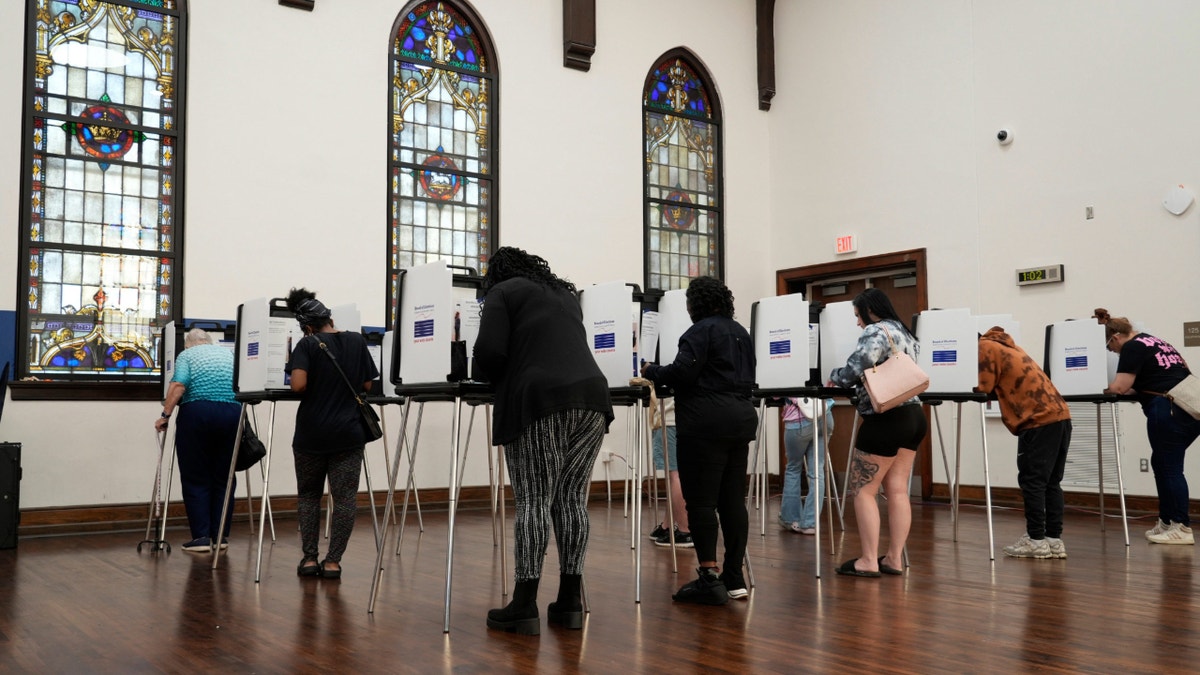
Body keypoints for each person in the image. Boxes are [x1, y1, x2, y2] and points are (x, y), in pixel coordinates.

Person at [474, 247, 614, 635]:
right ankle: (570, 600)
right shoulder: (564, 295)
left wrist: (481, 371)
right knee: (571, 499)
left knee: (535, 499)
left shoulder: (503, 292)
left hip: (540, 400)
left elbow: (489, 352)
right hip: (592, 399)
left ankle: (524, 604)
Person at [641, 276, 758, 604]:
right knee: (732, 501)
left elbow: (681, 373)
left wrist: (650, 370)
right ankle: (734, 577)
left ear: (696, 304)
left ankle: (708, 576)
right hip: (741, 419)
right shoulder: (741, 333)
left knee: (702, 502)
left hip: (705, 422)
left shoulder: (699, 332)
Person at [828, 288, 927, 577]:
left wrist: (834, 377)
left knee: (863, 491)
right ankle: (893, 559)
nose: (858, 323)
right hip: (914, 416)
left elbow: (857, 366)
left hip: (886, 418)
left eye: (858, 316)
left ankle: (868, 561)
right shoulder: (907, 334)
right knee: (897, 490)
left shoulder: (876, 331)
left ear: (869, 311)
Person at [285, 288, 379, 578]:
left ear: (308, 327)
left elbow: (298, 385)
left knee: (309, 496)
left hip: (312, 433)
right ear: (329, 317)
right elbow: (366, 385)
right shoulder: (355, 340)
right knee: (345, 499)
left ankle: (310, 559)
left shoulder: (308, 344)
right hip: (349, 434)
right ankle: (334, 561)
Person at [1096, 308, 1200, 545]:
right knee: (1162, 463)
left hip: (1168, 409)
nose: (1112, 351)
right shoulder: (1155, 341)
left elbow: (1120, 387)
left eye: (1109, 346)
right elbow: (1150, 380)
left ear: (1115, 337)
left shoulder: (1132, 346)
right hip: (1188, 406)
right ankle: (1166, 521)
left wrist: (1098, 386)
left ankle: (1182, 527)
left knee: (1170, 466)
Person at [976, 327, 1073, 559]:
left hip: (1038, 420)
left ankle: (1036, 540)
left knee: (1033, 482)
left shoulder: (984, 347)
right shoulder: (1010, 347)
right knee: (1051, 482)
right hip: (1060, 416)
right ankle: (1053, 540)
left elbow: (983, 386)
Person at [155, 328, 240, 553]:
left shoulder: (187, 355)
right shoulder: (229, 355)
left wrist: (165, 415)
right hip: (233, 414)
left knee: (196, 476)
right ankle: (220, 536)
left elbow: (179, 385)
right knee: (225, 476)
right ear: (209, 341)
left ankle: (201, 537)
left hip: (198, 413)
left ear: (188, 344)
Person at [779, 397, 834, 535]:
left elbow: (775, 393)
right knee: (817, 470)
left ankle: (791, 519)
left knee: (793, 468)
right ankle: (810, 523)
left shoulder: (784, 375)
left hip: (798, 421)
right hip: (825, 415)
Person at [648, 398, 692, 548]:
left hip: (670, 418)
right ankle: (668, 525)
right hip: (688, 418)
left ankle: (685, 530)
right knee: (676, 475)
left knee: (675, 475)